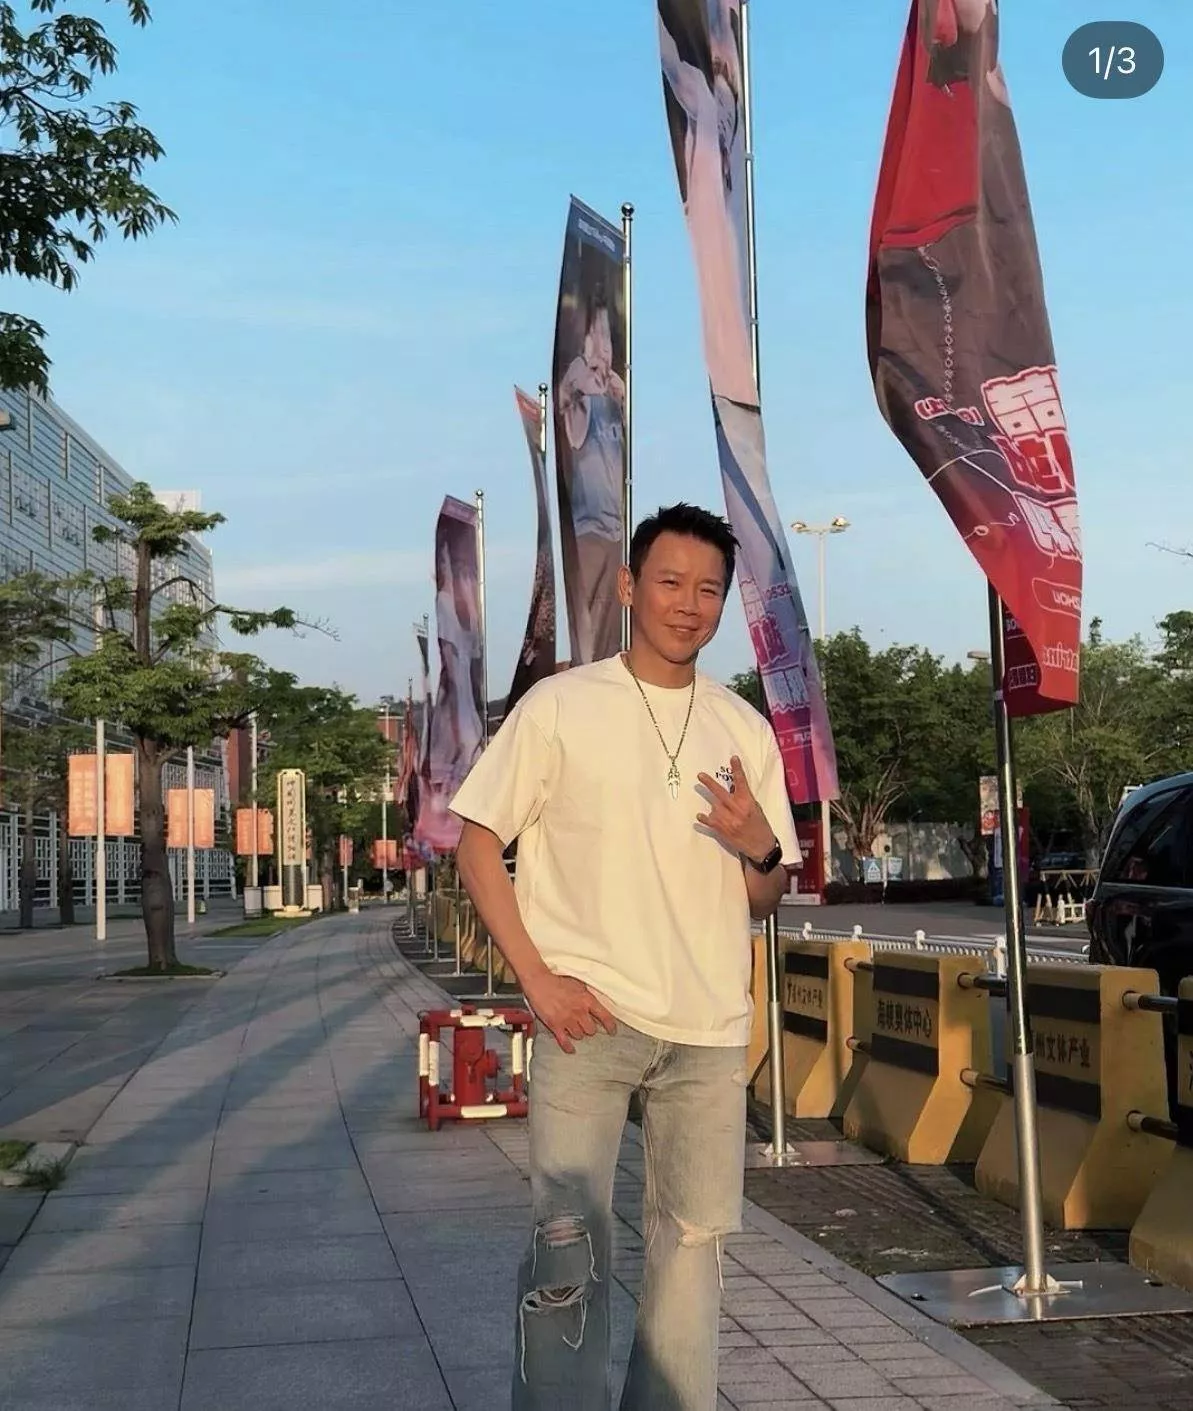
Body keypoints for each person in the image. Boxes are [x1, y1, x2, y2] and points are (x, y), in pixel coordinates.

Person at [451, 503, 801, 1410]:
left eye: (709, 589)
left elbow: (764, 894)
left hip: (708, 1030)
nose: (689, 604)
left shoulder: (743, 727)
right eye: (671, 582)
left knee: (691, 1255)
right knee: (566, 1252)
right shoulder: (562, 705)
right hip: (589, 1022)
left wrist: (760, 846)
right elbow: (477, 842)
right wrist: (535, 978)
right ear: (629, 586)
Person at [557, 285, 626, 663]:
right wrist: (585, 381)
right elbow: (566, 394)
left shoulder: (614, 396)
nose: (603, 346)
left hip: (615, 534)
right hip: (589, 534)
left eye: (608, 337)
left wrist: (620, 399)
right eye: (595, 335)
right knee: (588, 644)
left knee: (609, 644)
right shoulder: (579, 382)